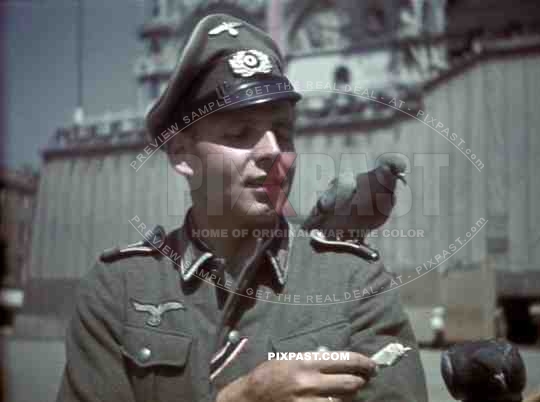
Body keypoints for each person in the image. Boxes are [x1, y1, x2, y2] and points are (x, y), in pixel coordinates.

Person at [56, 13, 428, 402]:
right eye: (239, 133)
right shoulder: (118, 290)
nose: (272, 151)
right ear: (181, 153)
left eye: (283, 132)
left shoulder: (355, 283)